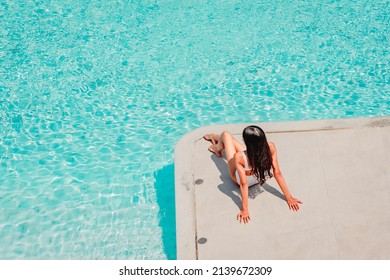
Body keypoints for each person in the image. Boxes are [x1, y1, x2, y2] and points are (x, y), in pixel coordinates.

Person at [203, 125, 302, 224]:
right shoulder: (271, 147)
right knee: (229, 138)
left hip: (241, 179)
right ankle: (216, 142)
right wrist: (289, 198)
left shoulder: (239, 157)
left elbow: (243, 184)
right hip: (258, 178)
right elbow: (277, 172)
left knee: (225, 135)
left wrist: (245, 209)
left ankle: (217, 148)